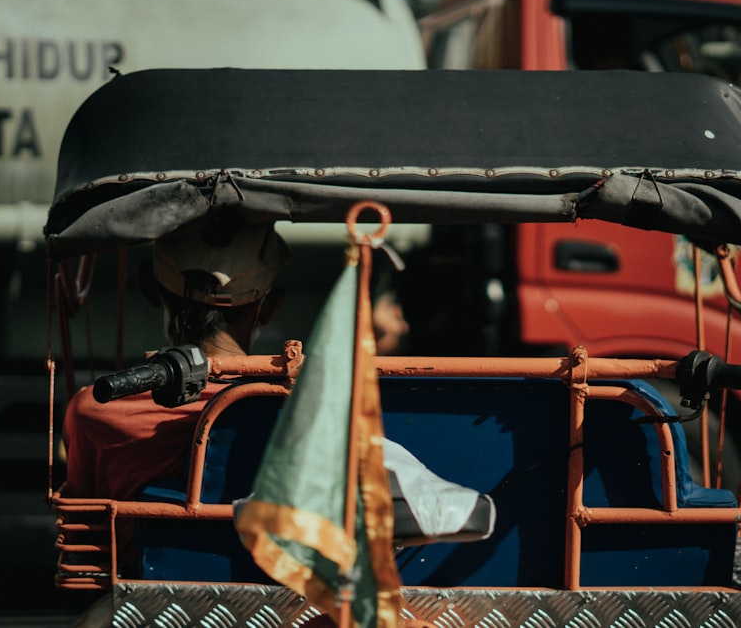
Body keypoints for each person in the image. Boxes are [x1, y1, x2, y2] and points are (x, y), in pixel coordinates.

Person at [61, 219, 492, 573]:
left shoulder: (96, 410)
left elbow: (87, 551)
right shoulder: (306, 400)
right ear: (270, 307)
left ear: (148, 287)